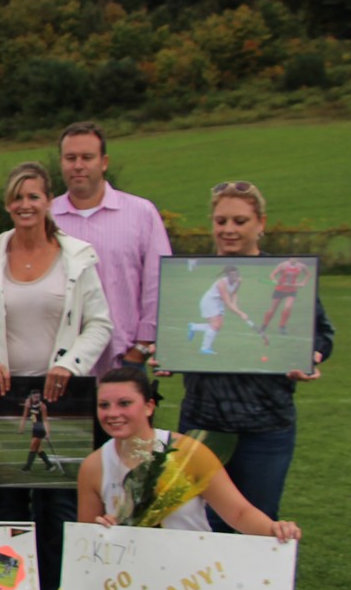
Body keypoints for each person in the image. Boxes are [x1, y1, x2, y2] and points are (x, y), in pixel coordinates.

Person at [0, 162, 113, 590]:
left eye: (34, 197)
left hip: (62, 397)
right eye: (18, 198)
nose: (25, 205)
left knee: (60, 502)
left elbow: (99, 323)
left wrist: (70, 364)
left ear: (48, 202)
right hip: (4, 398)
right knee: (10, 502)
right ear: (8, 205)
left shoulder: (76, 258)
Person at [174, 182, 332, 529]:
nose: (228, 230)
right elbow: (173, 322)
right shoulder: (192, 273)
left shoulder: (284, 276)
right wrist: (169, 354)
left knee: (259, 525)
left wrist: (312, 357)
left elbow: (321, 333)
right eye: (221, 221)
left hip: (266, 424)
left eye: (240, 221)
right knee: (196, 524)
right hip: (204, 421)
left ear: (261, 223)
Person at [80, 366, 301, 540]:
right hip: (131, 581)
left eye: (125, 403)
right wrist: (103, 530)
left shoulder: (187, 453)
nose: (113, 413)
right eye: (104, 405)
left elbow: (238, 513)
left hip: (191, 579)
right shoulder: (94, 466)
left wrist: (275, 529)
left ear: (149, 406)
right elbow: (87, 540)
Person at [50, 122, 173, 374]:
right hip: (59, 362)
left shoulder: (141, 213)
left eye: (87, 157)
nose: (78, 165)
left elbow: (158, 283)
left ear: (104, 162)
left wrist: (141, 347)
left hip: (122, 356)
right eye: (70, 158)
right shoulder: (46, 217)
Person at [188, 265, 253, 355]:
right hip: (210, 301)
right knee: (215, 324)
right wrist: (240, 313)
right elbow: (228, 303)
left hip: (219, 303)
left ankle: (194, 327)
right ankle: (204, 349)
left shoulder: (239, 280)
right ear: (227, 275)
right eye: (232, 275)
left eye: (236, 274)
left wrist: (235, 305)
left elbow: (234, 293)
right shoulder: (221, 284)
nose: (235, 277)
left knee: (218, 326)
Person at [262, 256, 313, 335]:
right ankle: (264, 326)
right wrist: (274, 280)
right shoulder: (283, 265)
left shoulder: (302, 266)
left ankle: (282, 327)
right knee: (272, 309)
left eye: (296, 257)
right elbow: (272, 274)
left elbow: (308, 274)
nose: (294, 259)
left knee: (288, 307)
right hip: (280, 289)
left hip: (292, 290)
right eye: (292, 257)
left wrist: (303, 283)